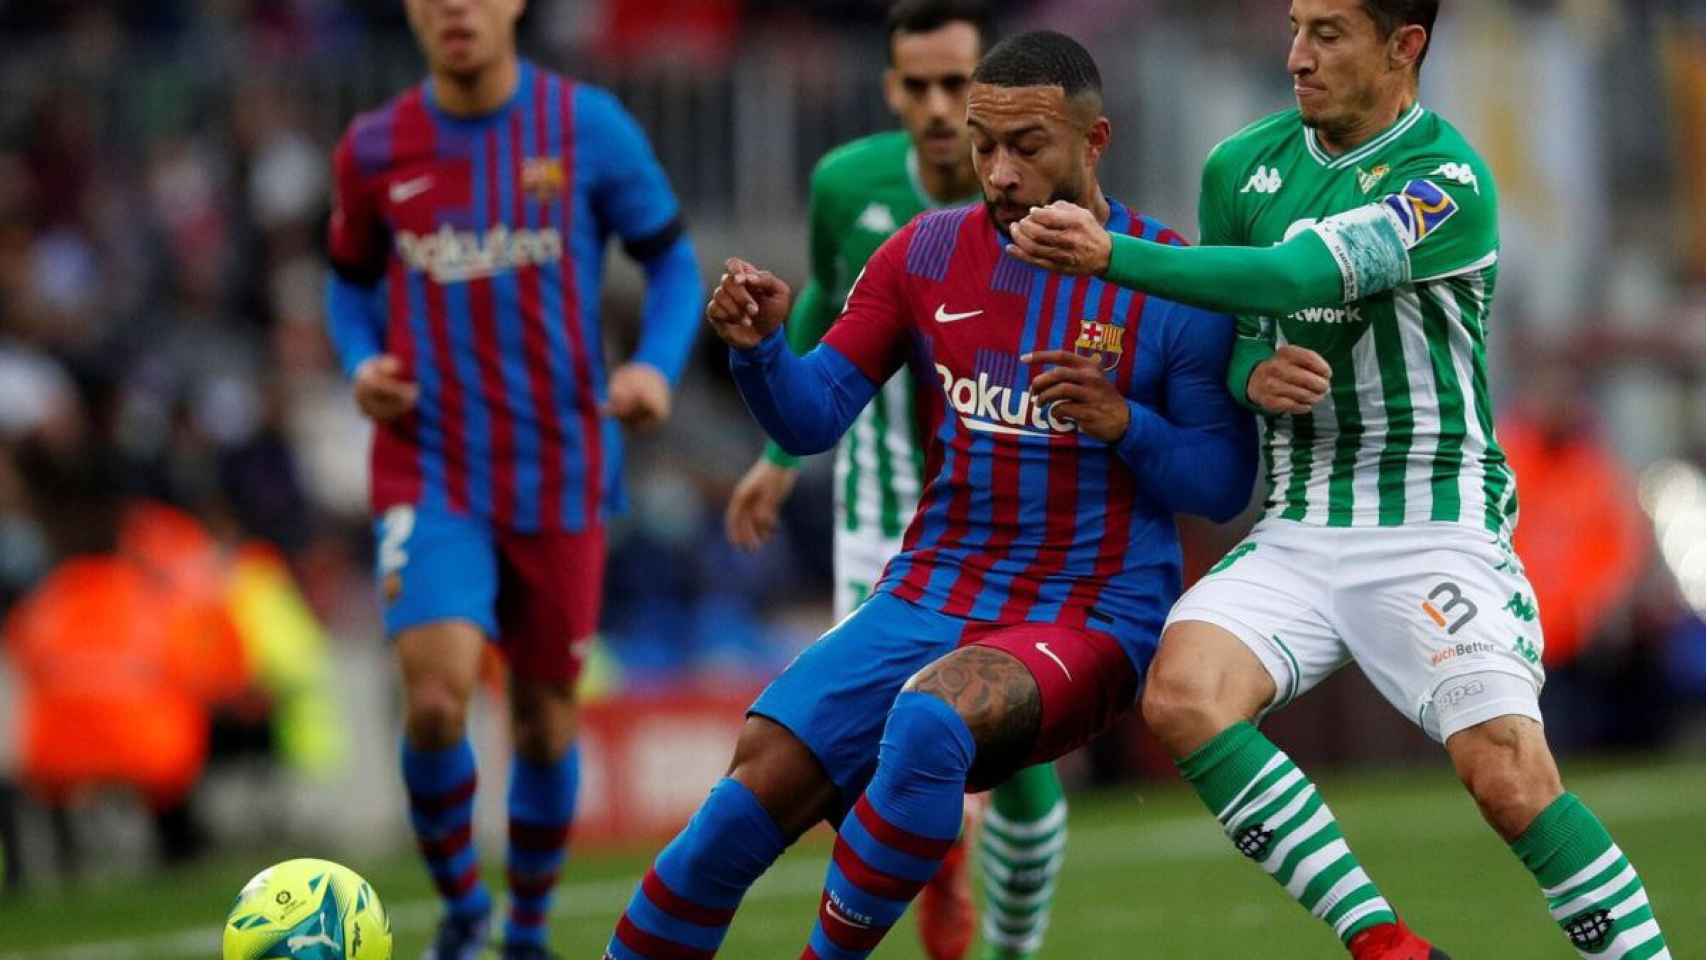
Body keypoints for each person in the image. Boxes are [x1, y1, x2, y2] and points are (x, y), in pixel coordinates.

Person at [1005, 2, 1673, 958]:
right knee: (1184, 693)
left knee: (1509, 780)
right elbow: (1235, 337)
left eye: (1328, 34)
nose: (1296, 57)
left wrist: (1114, 254)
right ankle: (1386, 947)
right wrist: (1251, 377)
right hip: (1301, 524)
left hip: (1433, 523)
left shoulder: (1446, 181)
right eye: (1294, 26)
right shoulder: (1243, 165)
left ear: (1405, 47)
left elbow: (1292, 276)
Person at [604, 30, 1256, 960]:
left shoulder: (1167, 278)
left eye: (1025, 147)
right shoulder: (925, 253)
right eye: (984, 145)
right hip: (930, 589)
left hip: (1090, 612)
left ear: (1094, 140)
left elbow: (1223, 484)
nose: (996, 171)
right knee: (751, 786)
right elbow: (811, 417)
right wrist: (758, 351)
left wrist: (1123, 422)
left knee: (930, 717)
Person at [323, 0, 701, 956]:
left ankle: (526, 929)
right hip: (430, 461)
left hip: (560, 468)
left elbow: (672, 263)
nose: (456, 7)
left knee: (541, 721)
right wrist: (360, 359)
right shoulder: (375, 147)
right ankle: (461, 912)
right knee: (440, 694)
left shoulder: (586, 127)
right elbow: (347, 279)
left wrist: (654, 364)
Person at [722, 3, 1071, 957]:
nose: (935, 105)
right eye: (916, 86)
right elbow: (828, 322)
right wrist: (780, 456)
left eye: (956, 84)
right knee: (890, 756)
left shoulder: (1047, 205)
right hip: (884, 522)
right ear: (890, 89)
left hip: (1011, 530)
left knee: (1033, 811)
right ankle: (936, 873)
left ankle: (1004, 941)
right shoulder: (848, 185)